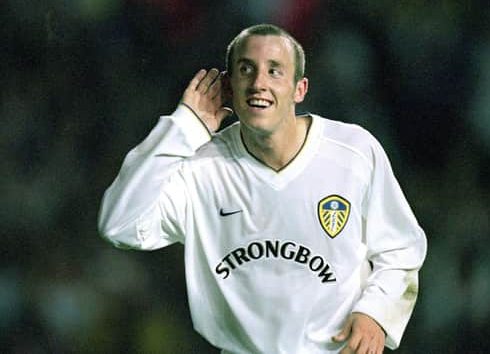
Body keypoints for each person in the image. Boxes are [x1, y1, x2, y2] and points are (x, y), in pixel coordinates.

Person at [98, 24, 427, 353]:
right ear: (229, 85)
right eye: (246, 70)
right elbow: (120, 224)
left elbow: (400, 251)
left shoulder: (353, 152)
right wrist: (183, 127)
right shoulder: (203, 169)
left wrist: (375, 313)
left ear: (300, 89)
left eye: (275, 71)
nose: (259, 84)